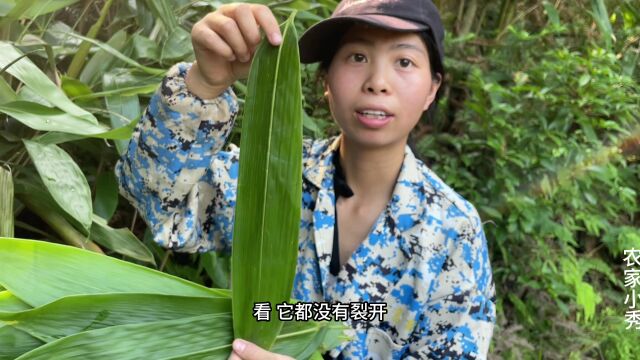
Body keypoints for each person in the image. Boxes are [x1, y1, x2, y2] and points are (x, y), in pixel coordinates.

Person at [115, 0, 497, 358]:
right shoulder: (273, 174)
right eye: (357, 56)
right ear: (326, 80)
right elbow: (159, 204)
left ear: (432, 88)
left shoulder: (452, 232)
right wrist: (204, 84)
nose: (378, 81)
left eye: (404, 61)